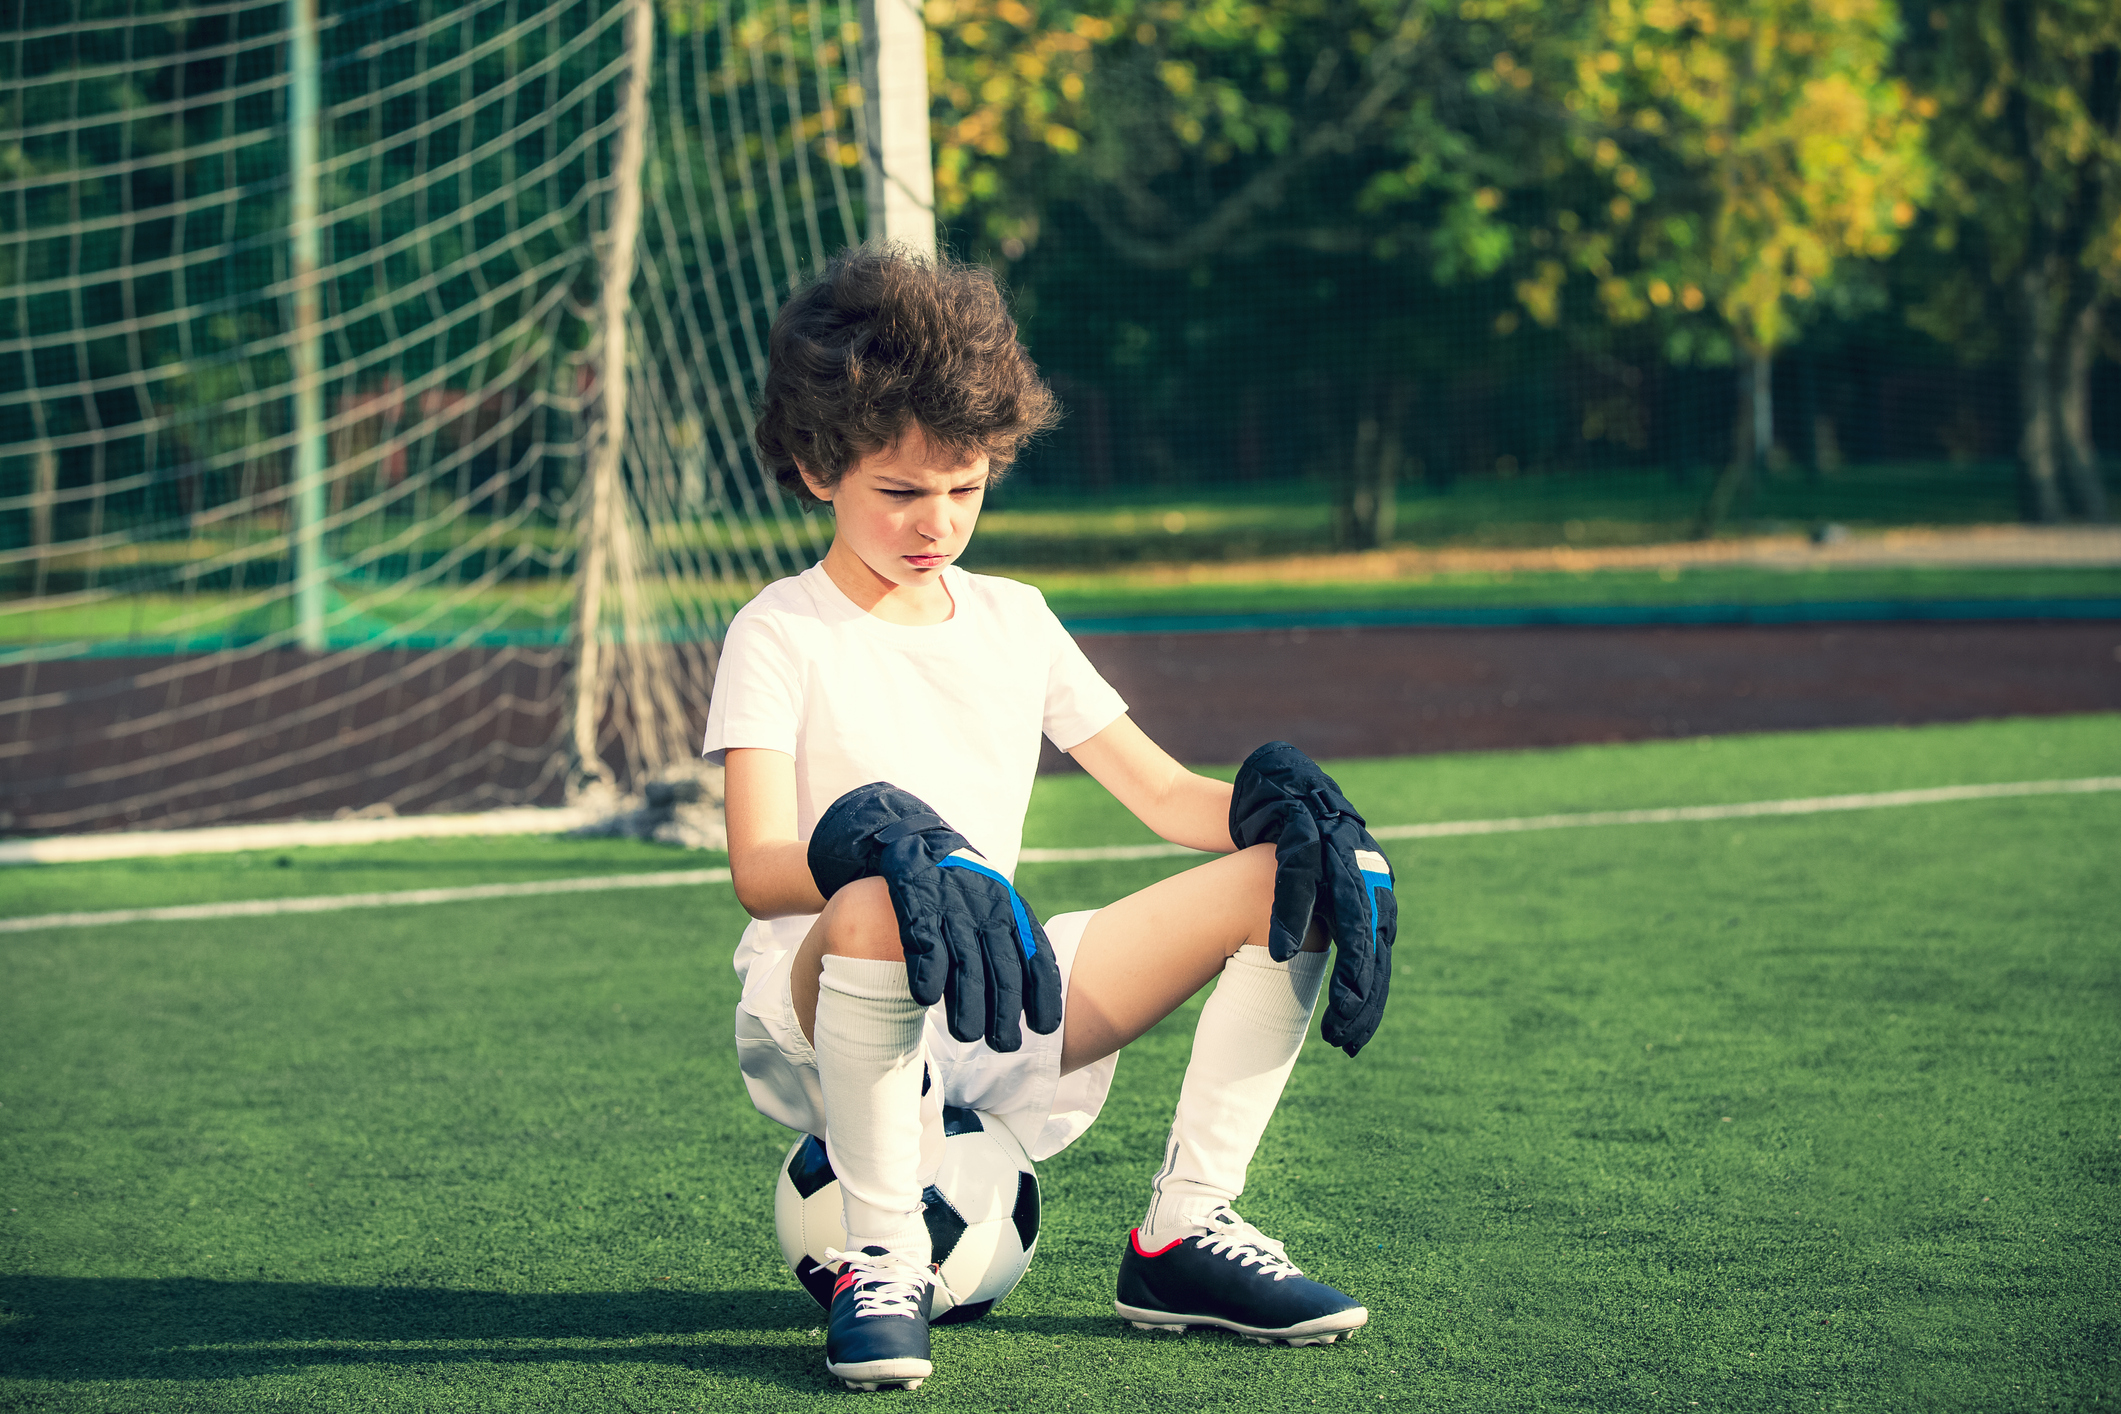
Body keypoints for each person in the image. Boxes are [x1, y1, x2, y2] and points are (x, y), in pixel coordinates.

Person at [702, 245, 1399, 1392]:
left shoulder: (1015, 619)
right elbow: (760, 866)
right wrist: (866, 846)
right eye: (902, 490)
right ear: (816, 466)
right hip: (823, 997)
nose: (938, 520)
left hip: (996, 983)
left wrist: (1287, 810)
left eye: (966, 486)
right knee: (887, 893)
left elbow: (1169, 796)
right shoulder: (781, 630)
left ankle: (1185, 1230)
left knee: (1292, 872)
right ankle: (883, 1257)